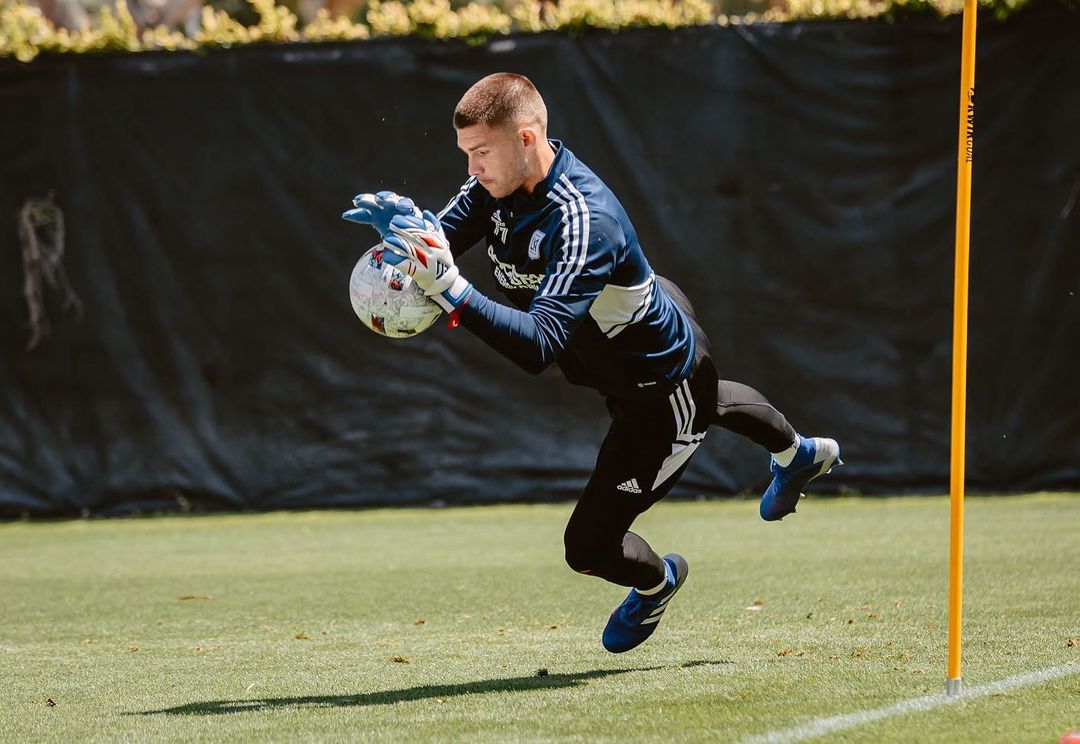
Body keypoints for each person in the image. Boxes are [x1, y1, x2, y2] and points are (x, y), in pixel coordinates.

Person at [343, 72, 841, 654]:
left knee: (588, 546)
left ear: (526, 139)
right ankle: (799, 454)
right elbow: (445, 239)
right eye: (466, 153)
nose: (472, 168)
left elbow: (538, 345)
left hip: (655, 386)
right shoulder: (494, 187)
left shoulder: (583, 219)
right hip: (625, 341)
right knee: (711, 398)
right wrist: (413, 233)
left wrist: (451, 289)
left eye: (481, 152)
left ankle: (658, 583)